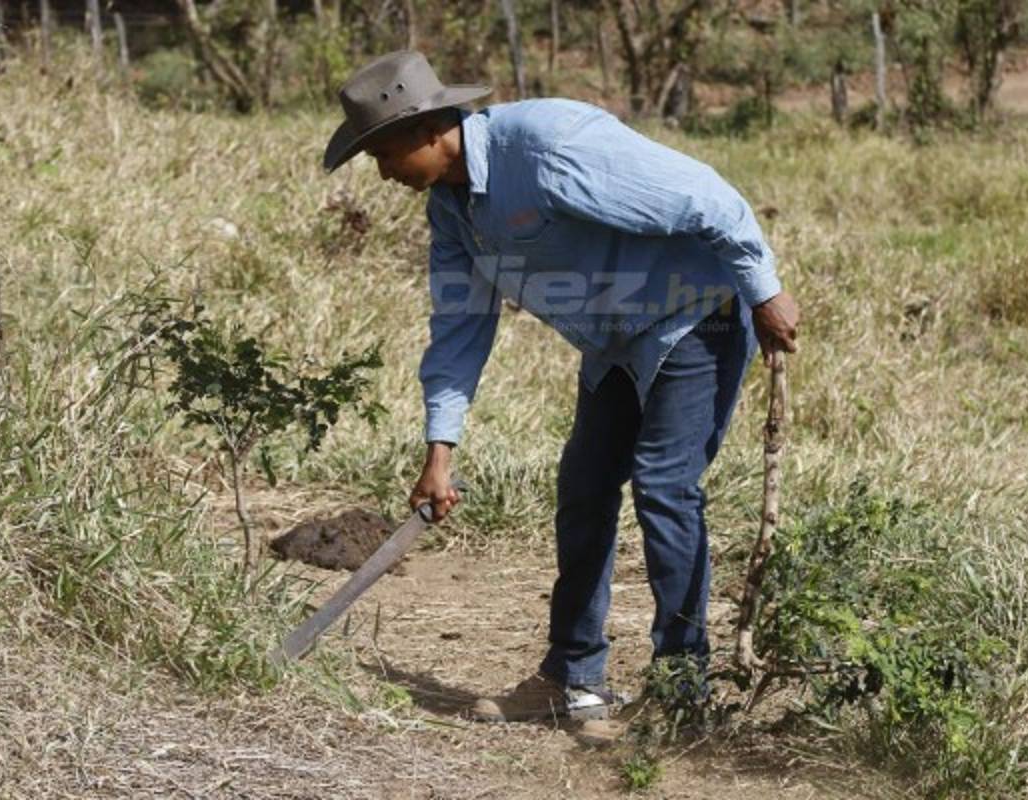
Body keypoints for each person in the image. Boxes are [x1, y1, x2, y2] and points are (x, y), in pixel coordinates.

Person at [324, 51, 800, 734]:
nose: (383, 173)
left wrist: (764, 292)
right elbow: (459, 327)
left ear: (428, 129)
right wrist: (439, 451)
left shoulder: (548, 145)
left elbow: (707, 197)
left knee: (665, 487)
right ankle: (572, 677)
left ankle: (681, 691)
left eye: (384, 154)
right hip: (614, 342)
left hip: (698, 315)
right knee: (583, 489)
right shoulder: (452, 213)